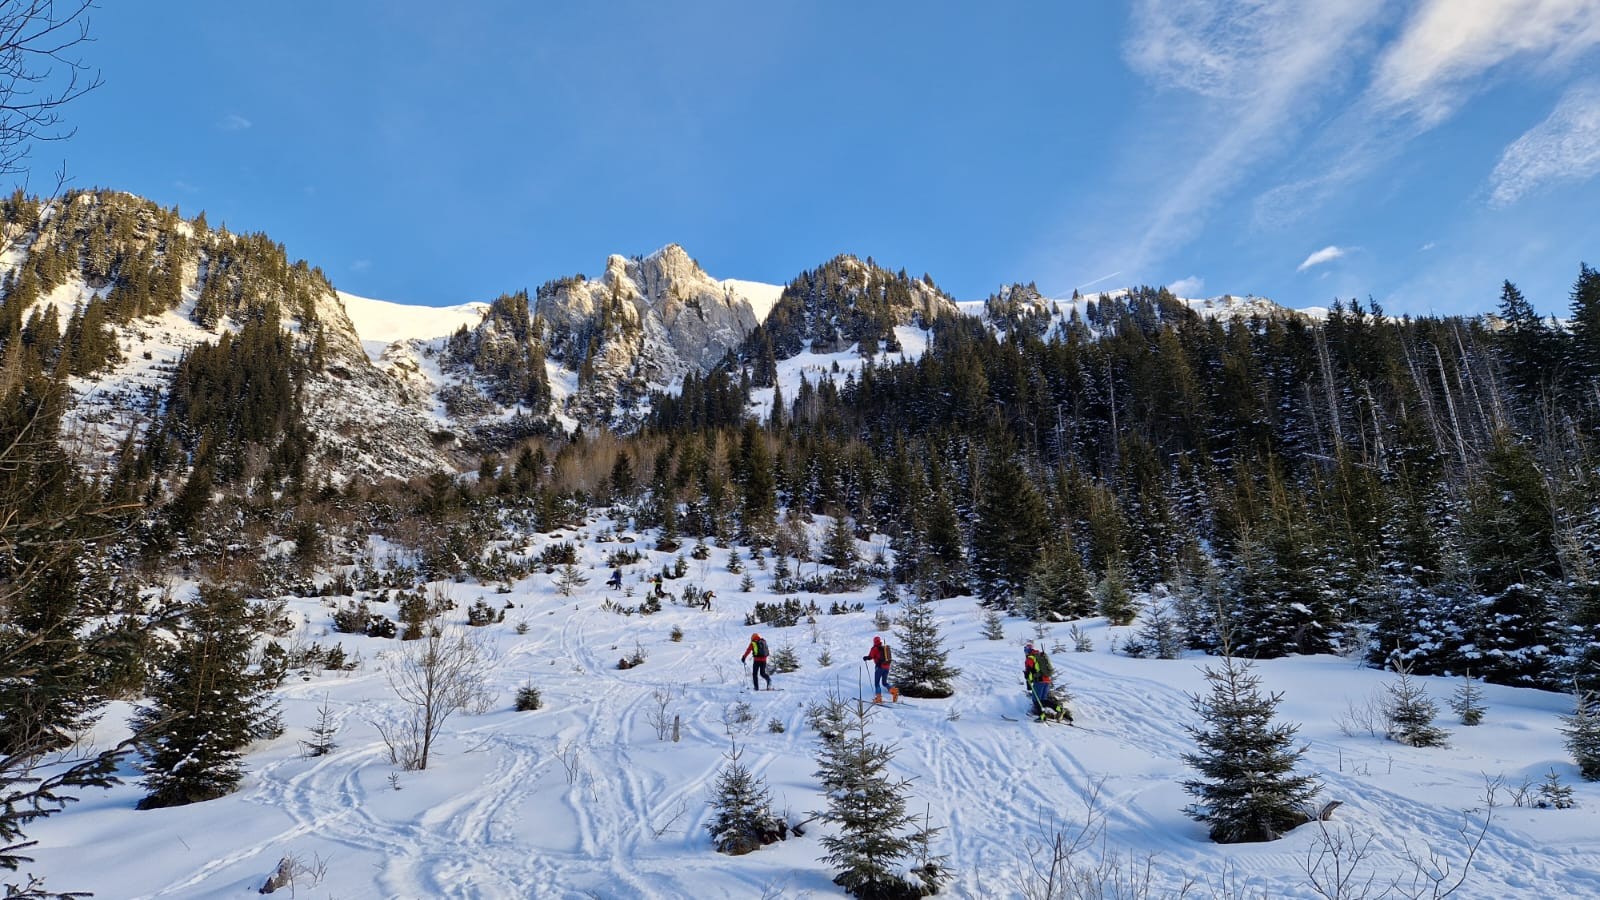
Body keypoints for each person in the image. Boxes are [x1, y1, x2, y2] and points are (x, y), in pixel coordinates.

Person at [1024, 640, 1054, 720]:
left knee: (1036, 699)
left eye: (1025, 650)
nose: (1025, 652)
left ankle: (1037, 713)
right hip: (1047, 680)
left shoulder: (1030, 659)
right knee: (1043, 699)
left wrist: (1028, 680)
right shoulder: (1039, 655)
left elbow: (1029, 672)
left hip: (1039, 681)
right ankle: (1044, 713)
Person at [863, 635, 894, 703]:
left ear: (874, 641)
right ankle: (894, 691)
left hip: (879, 668)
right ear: (879, 641)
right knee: (884, 682)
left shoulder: (874, 648)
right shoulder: (884, 648)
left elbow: (870, 656)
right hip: (887, 667)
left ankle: (878, 698)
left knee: (877, 683)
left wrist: (865, 658)